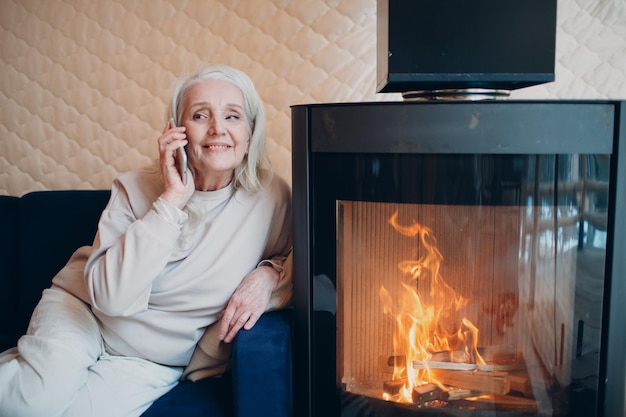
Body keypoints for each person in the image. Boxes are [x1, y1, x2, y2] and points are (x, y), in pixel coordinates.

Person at [0, 65, 293, 417]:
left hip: (152, 360)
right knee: (33, 401)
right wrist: (172, 200)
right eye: (201, 115)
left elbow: (303, 260)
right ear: (176, 131)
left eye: (233, 116)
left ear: (250, 133)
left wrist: (269, 274)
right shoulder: (133, 187)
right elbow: (111, 298)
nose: (218, 128)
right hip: (83, 315)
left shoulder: (272, 197)